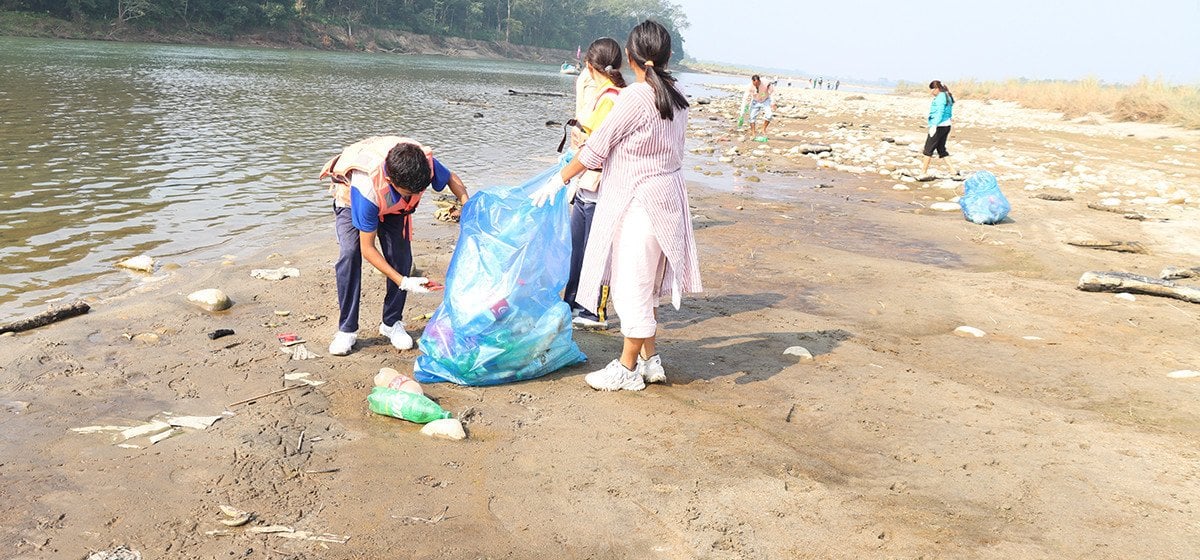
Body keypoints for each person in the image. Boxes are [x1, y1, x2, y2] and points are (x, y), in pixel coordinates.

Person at [531, 19, 702, 391]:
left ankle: (625, 369)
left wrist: (556, 181)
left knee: (632, 287)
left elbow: (595, 150)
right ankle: (650, 360)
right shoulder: (677, 95)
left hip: (640, 202)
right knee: (648, 282)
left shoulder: (637, 98)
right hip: (668, 199)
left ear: (630, 55)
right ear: (669, 56)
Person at [319, 137, 470, 356]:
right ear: (390, 179)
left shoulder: (421, 164)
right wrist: (404, 281)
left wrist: (467, 205)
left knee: (401, 258)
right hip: (351, 200)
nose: (412, 196)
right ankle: (347, 329)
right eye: (408, 192)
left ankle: (391, 323)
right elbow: (367, 248)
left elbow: (451, 178)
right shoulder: (366, 189)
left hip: (395, 208)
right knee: (350, 255)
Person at [563, 37, 627, 329]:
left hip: (602, 185)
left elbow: (598, 145)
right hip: (586, 186)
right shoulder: (603, 94)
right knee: (577, 248)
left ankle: (594, 312)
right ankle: (571, 303)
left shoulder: (612, 97)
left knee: (596, 251)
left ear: (589, 66)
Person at [919, 80, 960, 178]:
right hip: (946, 125)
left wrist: (934, 125)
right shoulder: (947, 95)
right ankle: (953, 171)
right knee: (941, 149)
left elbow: (940, 111)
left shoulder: (941, 96)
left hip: (939, 126)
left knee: (928, 149)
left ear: (937, 88)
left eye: (932, 89)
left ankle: (923, 172)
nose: (932, 92)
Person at [746, 74, 774, 142]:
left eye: (758, 83)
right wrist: (745, 106)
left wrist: (773, 102)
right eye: (754, 84)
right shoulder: (750, 87)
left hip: (765, 100)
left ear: (759, 81)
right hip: (755, 101)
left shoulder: (766, 82)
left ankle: (763, 129)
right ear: (752, 81)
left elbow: (772, 92)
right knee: (751, 117)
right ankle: (753, 133)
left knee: (769, 115)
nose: (756, 85)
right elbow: (746, 97)